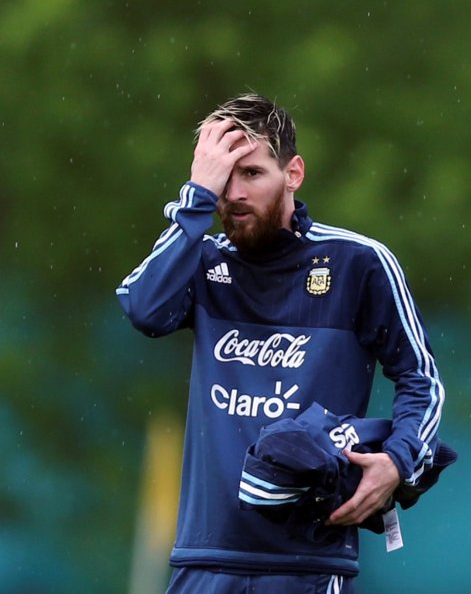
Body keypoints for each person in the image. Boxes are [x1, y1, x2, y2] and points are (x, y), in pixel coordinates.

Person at [116, 94, 446, 593]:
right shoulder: (202, 260)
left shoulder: (357, 262)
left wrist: (398, 462)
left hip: (308, 562)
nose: (234, 192)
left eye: (251, 173)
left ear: (293, 173)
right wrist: (195, 200)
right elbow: (143, 309)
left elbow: (420, 378)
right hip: (205, 558)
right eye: (221, 178)